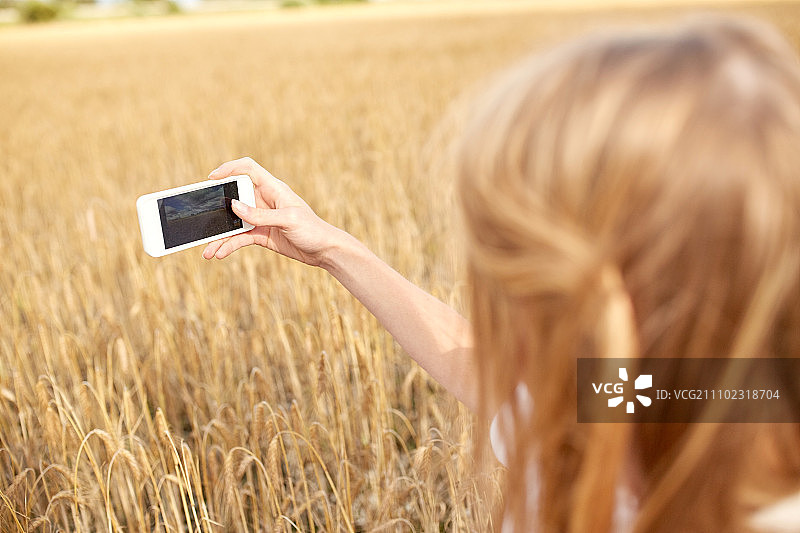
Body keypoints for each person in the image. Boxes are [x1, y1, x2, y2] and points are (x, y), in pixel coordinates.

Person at [203, 14, 800, 533]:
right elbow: (484, 368)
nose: (492, 285)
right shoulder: (645, 395)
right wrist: (332, 247)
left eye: (514, 258)